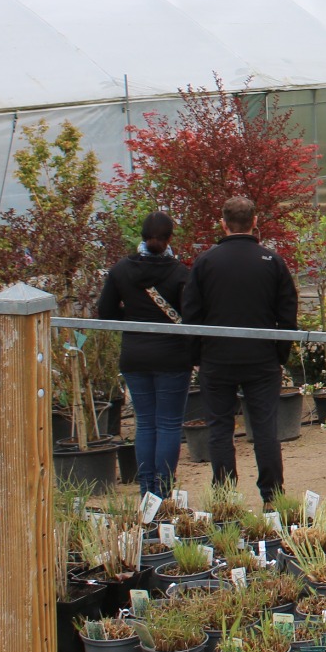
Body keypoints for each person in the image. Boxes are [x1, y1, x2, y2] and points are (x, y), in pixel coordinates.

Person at [180, 195, 298, 503]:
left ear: (223, 223)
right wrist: (279, 353)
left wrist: (196, 357)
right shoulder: (272, 262)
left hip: (216, 359)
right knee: (264, 430)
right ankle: (272, 496)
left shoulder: (205, 262)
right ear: (255, 222)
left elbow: (191, 315)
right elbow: (287, 313)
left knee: (220, 429)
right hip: (261, 359)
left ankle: (226, 498)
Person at [94, 211, 195, 499]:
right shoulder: (179, 273)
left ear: (141, 236)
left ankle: (146, 490)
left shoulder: (121, 270)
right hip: (173, 356)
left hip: (135, 355)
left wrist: (135, 315)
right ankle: (164, 489)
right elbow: (190, 315)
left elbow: (107, 313)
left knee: (145, 422)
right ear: (170, 238)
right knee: (168, 424)